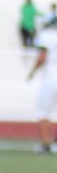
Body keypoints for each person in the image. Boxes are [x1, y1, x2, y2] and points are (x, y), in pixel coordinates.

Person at [27, 16, 57, 153]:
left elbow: (42, 56)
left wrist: (32, 71)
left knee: (43, 112)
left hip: (50, 78)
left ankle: (46, 143)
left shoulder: (46, 36)